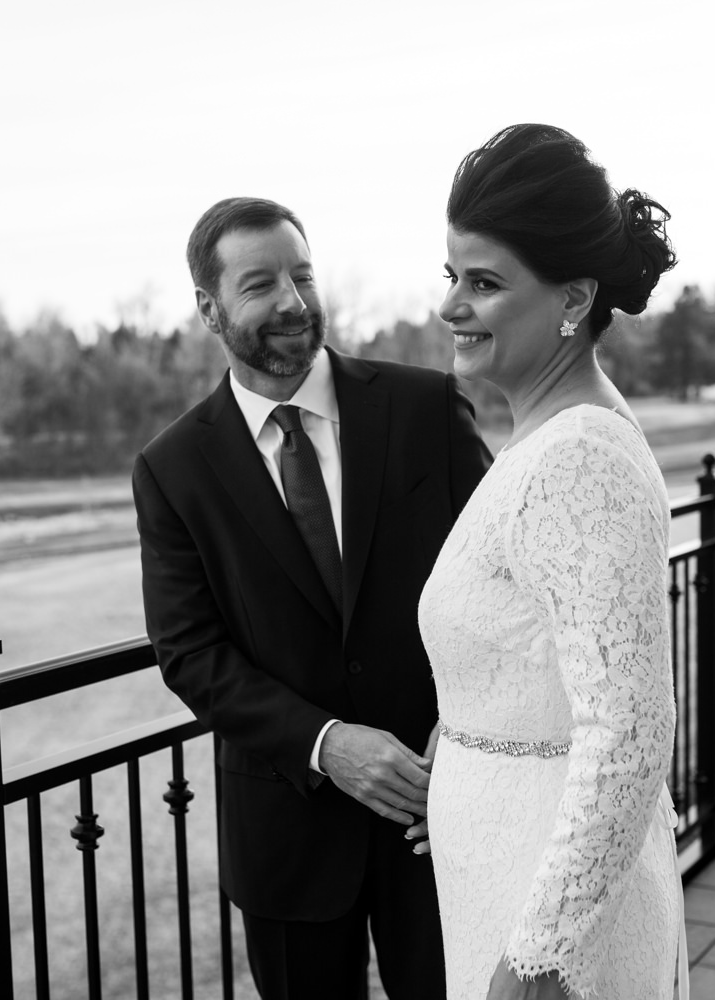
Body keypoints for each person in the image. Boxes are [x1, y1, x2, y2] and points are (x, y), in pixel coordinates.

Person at [133, 196, 492, 1000]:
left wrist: (464, 726)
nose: (294, 302)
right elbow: (189, 652)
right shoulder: (173, 468)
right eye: (260, 284)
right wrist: (328, 744)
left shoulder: (423, 406)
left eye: (302, 274)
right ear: (210, 308)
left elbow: (500, 580)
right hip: (288, 838)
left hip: (443, 810)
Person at [416, 125, 688, 1000]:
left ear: (572, 299)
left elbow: (632, 731)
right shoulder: (541, 437)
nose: (452, 305)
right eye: (452, 276)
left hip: (544, 912)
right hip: (499, 863)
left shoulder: (579, 458)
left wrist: (542, 958)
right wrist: (461, 741)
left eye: (485, 283)